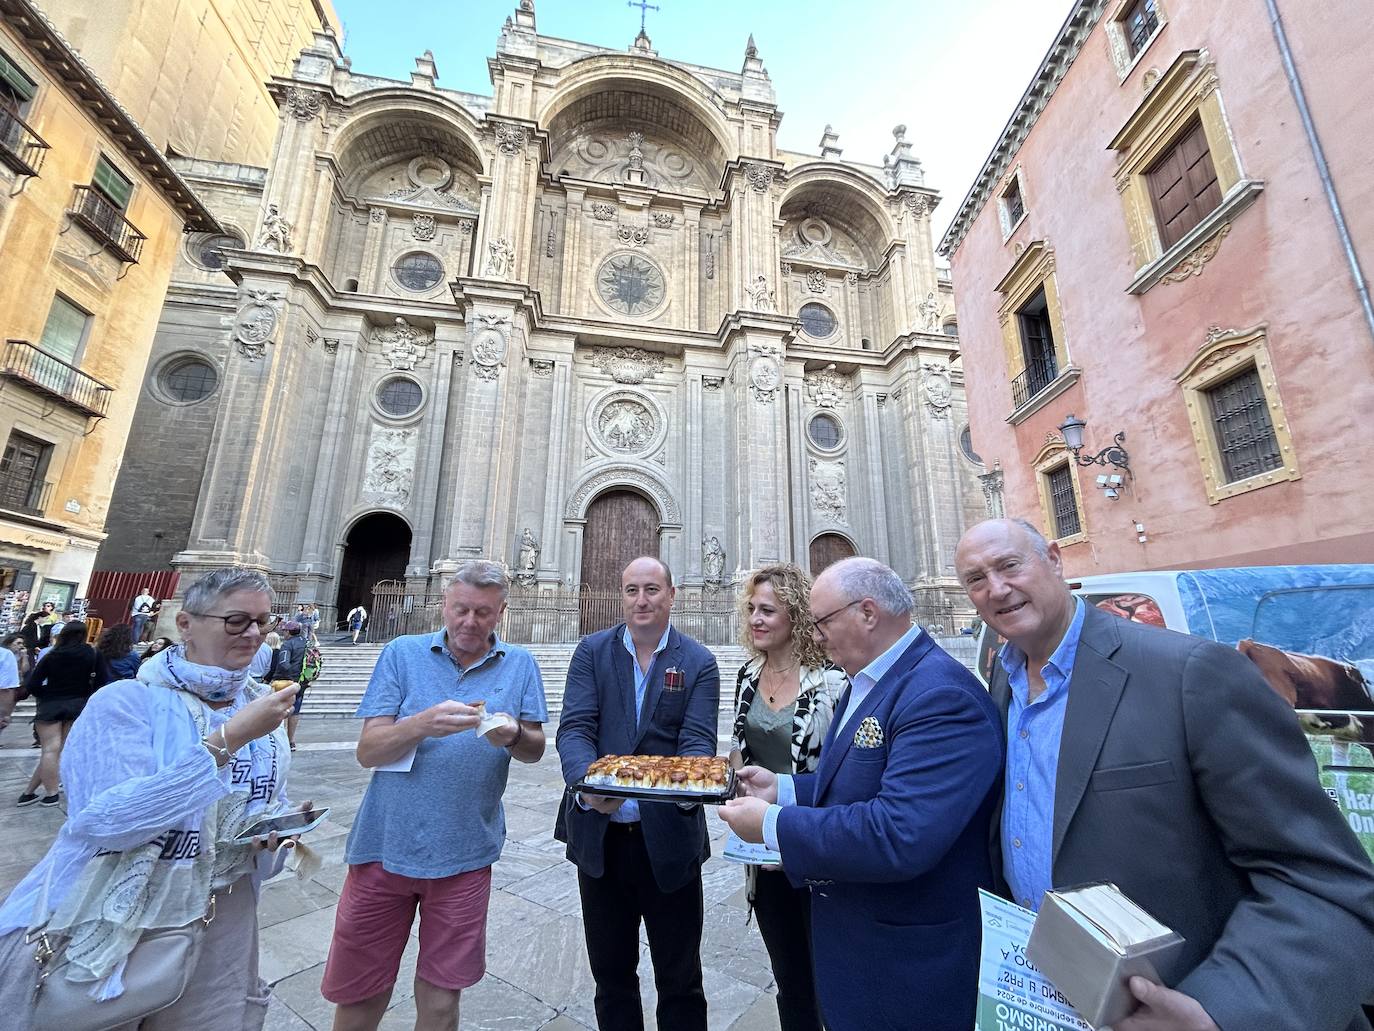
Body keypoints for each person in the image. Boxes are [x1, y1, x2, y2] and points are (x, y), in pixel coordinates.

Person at [954, 517, 1374, 1031]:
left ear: (1056, 559)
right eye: (976, 579)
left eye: (1009, 565)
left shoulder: (1191, 672)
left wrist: (1221, 1009)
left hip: (1188, 999)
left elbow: (1320, 880)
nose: (996, 588)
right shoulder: (1004, 677)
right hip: (1062, 998)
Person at [0, 566, 302, 1030]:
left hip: (225, 920)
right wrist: (225, 743)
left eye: (263, 622)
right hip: (119, 923)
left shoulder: (261, 709)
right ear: (185, 624)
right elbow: (105, 822)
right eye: (237, 620)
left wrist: (275, 836)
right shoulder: (125, 701)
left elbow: (253, 815)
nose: (255, 634)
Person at [719, 557, 1003, 1031]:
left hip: (907, 966)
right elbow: (851, 787)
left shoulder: (938, 696)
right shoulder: (868, 682)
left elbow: (897, 833)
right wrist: (784, 789)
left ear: (867, 613)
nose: (815, 635)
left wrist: (772, 825)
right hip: (861, 947)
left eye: (822, 622)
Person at [323, 560, 547, 1031]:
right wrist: (421, 723)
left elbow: (534, 749)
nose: (470, 622)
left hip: (465, 854)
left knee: (443, 1000)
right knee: (360, 996)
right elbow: (368, 750)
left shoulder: (520, 663)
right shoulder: (402, 654)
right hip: (382, 850)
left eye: (483, 613)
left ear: (501, 613)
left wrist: (510, 734)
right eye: (461, 609)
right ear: (443, 605)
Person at [555, 556, 721, 1031]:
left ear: (672, 595)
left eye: (652, 589)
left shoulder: (698, 662)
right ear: (621, 596)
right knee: (611, 979)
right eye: (632, 590)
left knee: (682, 979)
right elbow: (575, 728)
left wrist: (658, 786)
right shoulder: (591, 651)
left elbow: (695, 745)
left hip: (668, 842)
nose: (642, 600)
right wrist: (589, 785)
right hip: (600, 839)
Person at [728, 564, 844, 1031]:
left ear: (795, 616)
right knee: (789, 977)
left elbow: (844, 773)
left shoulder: (832, 681)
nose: (756, 619)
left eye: (767, 610)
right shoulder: (747, 675)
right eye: (752, 609)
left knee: (830, 978)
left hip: (818, 847)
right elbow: (741, 748)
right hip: (762, 850)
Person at [18, 621, 114, 807]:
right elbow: (103, 681)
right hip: (78, 705)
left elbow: (33, 684)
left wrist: (45, 695)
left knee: (49, 750)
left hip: (51, 705)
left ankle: (46, 793)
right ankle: (34, 792)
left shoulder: (53, 654)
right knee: (57, 751)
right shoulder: (93, 654)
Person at [274, 621, 308, 750]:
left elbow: (283, 663)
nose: (284, 633)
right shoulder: (306, 642)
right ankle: (291, 741)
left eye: (284, 631)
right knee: (296, 710)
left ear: (288, 632)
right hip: (302, 681)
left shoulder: (288, 644)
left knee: (283, 709)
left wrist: (288, 676)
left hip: (287, 681)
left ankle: (281, 741)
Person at [0, 632, 24, 740]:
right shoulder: (6, 655)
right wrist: (5, 713)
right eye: (18, 643)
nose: (21, 646)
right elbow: (7, 687)